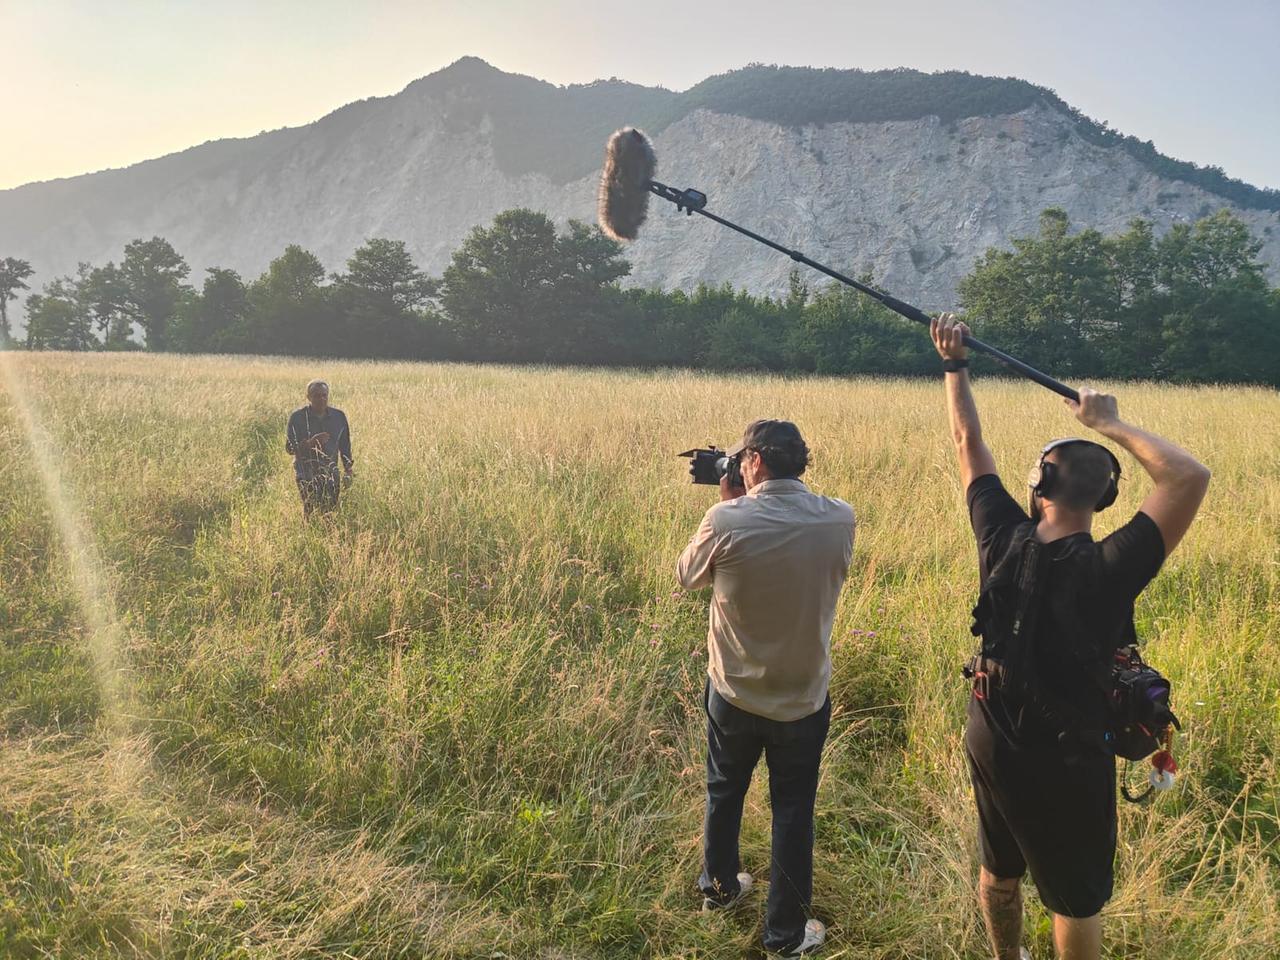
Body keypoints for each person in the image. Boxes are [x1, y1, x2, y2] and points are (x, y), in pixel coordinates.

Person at [930, 313, 1210, 960]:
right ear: (1107, 497)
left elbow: (966, 438)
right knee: (1076, 899)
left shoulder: (999, 532)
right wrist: (1108, 424)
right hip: (1070, 756)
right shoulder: (1114, 565)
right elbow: (1188, 476)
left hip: (990, 731)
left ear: (1036, 485)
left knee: (999, 869)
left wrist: (954, 362)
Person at [676, 419, 855, 956]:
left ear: (753, 461)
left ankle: (721, 887)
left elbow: (686, 576)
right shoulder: (839, 517)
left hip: (732, 691)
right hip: (802, 696)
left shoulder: (725, 519)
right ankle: (785, 935)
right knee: (794, 810)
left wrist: (729, 501)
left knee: (724, 789)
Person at [285, 380, 354, 517]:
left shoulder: (339, 416)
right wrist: (309, 443)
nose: (321, 399)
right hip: (305, 472)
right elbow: (289, 449)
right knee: (309, 510)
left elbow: (345, 445)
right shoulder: (298, 417)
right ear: (308, 397)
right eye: (316, 396)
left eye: (324, 395)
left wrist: (348, 470)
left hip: (331, 472)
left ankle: (329, 537)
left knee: (330, 512)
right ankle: (308, 536)